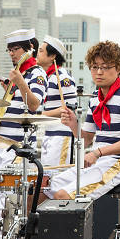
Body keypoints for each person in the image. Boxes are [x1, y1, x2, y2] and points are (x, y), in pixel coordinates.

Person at [46, 41, 120, 201]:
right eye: (94, 67)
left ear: (118, 68)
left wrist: (98, 152)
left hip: (119, 163)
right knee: (46, 188)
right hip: (98, 162)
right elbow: (87, 138)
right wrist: (73, 124)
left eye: (104, 67)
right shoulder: (95, 99)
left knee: (63, 195)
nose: (98, 72)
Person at [0, 29, 46, 239]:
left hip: (18, 146)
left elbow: (35, 105)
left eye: (15, 49)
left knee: (10, 202)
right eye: (9, 50)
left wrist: (19, 83)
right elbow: (14, 109)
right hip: (2, 144)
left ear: (29, 48)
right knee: (1, 201)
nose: (11, 54)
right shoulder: (18, 75)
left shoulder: (36, 73)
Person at [36, 35, 77, 167]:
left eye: (41, 51)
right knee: (47, 176)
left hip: (61, 135)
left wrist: (41, 116)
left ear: (53, 56)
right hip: (49, 133)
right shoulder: (48, 76)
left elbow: (70, 108)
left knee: (56, 176)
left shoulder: (63, 78)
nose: (37, 53)